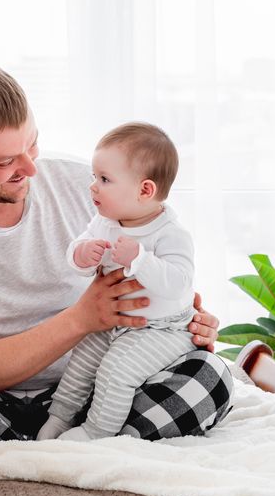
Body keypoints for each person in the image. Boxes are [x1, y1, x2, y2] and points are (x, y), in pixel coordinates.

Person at [0, 58, 233, 452]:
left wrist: (186, 323)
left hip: (102, 392)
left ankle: (57, 448)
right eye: (4, 162)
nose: (31, 168)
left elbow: (162, 274)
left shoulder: (87, 186)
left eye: (32, 143)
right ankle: (60, 450)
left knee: (212, 376)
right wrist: (82, 318)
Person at [37, 122, 199, 442]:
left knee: (117, 370)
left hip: (161, 328)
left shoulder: (171, 234)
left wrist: (140, 259)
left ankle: (97, 431)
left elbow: (178, 284)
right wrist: (83, 254)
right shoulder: (105, 222)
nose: (93, 187)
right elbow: (77, 258)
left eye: (105, 180)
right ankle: (59, 417)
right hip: (113, 322)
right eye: (94, 178)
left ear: (145, 190)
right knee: (81, 361)